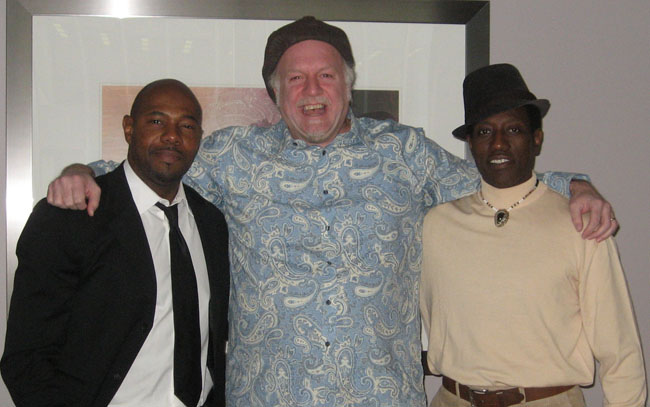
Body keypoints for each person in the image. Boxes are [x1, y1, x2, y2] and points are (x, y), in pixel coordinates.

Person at [46, 18, 617, 407]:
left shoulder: (404, 151)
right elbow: (151, 169)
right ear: (275, 92)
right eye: (295, 78)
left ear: (348, 84)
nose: (311, 90)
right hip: (268, 396)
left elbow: (497, 179)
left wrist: (578, 185)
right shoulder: (232, 156)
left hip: (381, 396)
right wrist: (80, 171)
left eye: (325, 75)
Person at [420, 64, 646, 407]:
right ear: (470, 143)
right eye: (484, 132)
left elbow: (621, 351)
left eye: (513, 129)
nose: (498, 143)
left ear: (536, 138)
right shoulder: (437, 226)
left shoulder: (581, 225)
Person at [1, 79, 230, 407]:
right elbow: (27, 357)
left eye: (187, 125)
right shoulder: (72, 218)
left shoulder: (211, 223)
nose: (172, 135)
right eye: (156, 121)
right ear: (128, 128)